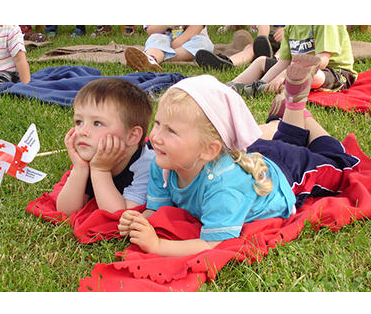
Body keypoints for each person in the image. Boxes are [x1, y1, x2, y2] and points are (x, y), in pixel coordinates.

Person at [117, 55, 359, 257]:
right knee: (283, 142)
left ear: (209, 149)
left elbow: (214, 245)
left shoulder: (225, 188)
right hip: (250, 159)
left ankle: (303, 116)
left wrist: (158, 245)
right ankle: (288, 119)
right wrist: (140, 222)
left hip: (288, 174)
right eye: (158, 123)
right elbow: (157, 208)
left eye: (170, 130)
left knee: (340, 164)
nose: (155, 137)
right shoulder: (164, 162)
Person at [56, 78, 155, 215]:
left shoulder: (148, 166)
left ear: (132, 136)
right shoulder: (92, 156)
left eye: (97, 123)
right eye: (79, 122)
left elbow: (119, 217)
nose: (82, 131)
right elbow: (65, 211)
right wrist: (80, 169)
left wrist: (100, 171)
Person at [228, 25, 357, 98]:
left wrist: (286, 74)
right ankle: (230, 87)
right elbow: (283, 62)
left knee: (304, 75)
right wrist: (264, 82)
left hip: (332, 72)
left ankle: (257, 90)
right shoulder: (290, 27)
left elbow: (322, 60)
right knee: (261, 61)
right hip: (294, 67)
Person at [124, 25, 214, 72]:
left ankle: (154, 59)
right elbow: (151, 30)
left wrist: (176, 44)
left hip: (189, 40)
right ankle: (151, 58)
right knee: (155, 39)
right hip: (163, 37)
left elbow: (195, 28)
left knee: (205, 44)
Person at [196, 25, 284, 71]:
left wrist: (287, 32)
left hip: (291, 43)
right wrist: (261, 43)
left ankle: (274, 61)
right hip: (271, 41)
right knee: (250, 48)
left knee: (284, 48)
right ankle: (227, 62)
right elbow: (263, 31)